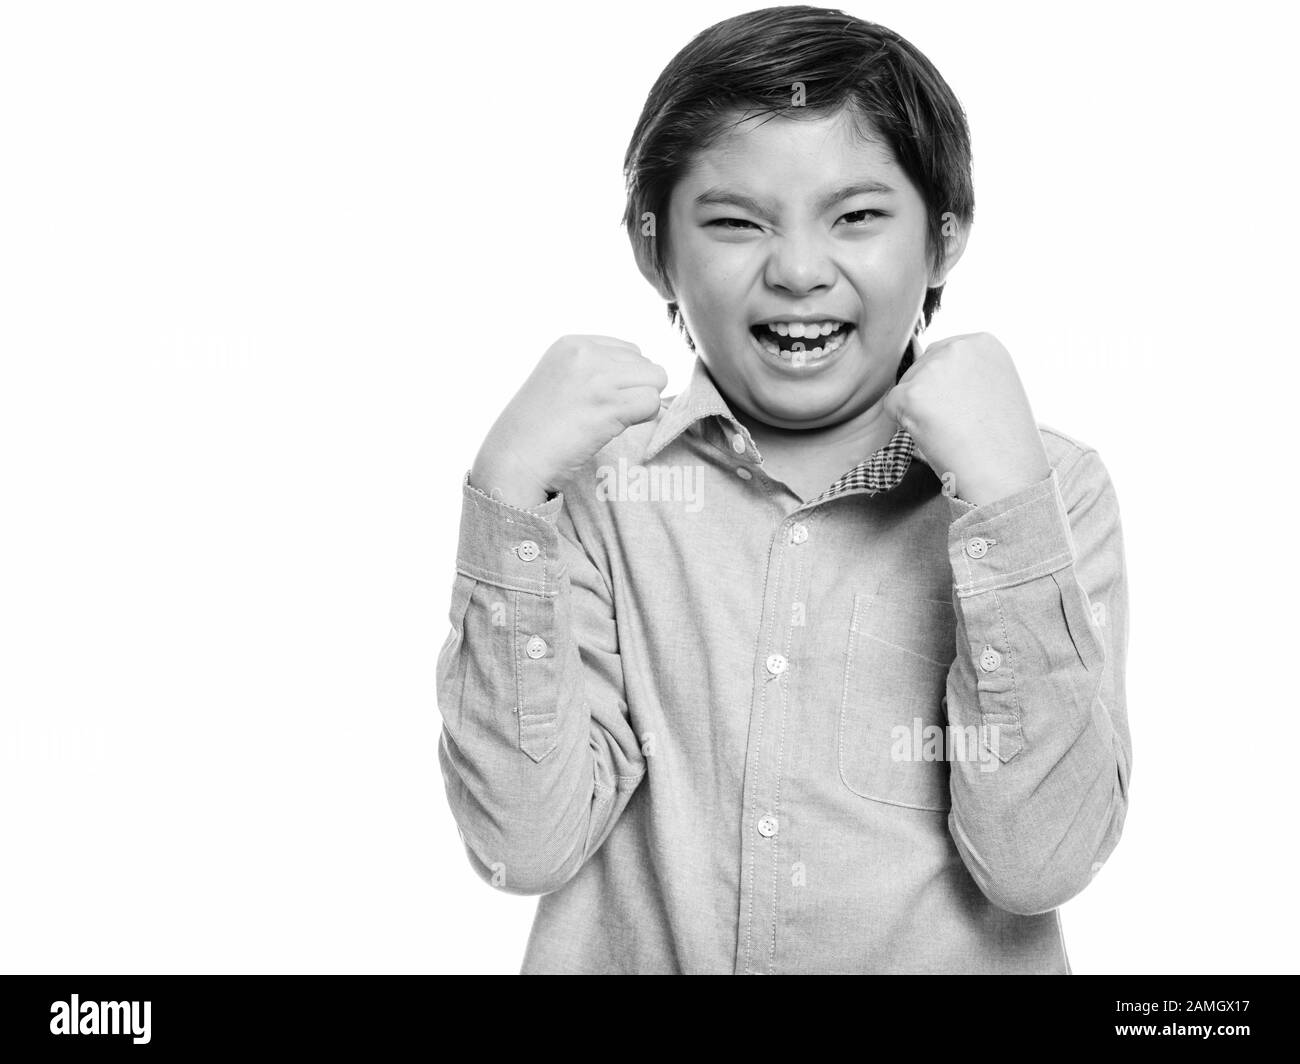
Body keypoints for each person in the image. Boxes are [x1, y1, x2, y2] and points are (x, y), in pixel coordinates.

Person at [435, 5, 1131, 974]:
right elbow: (521, 842)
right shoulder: (595, 491)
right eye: (732, 222)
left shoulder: (1051, 490)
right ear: (653, 252)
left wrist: (1006, 504)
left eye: (855, 217)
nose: (799, 270)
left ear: (943, 237)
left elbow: (1037, 861)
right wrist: (509, 490)